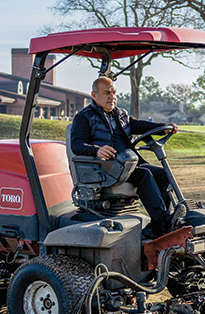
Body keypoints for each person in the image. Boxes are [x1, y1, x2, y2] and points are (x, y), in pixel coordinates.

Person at [70, 76, 186, 237]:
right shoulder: (84, 117)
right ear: (94, 95)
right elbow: (76, 145)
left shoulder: (120, 114)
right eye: (107, 93)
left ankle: (158, 226)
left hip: (128, 164)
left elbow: (138, 125)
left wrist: (163, 127)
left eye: (114, 92)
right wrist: (96, 150)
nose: (112, 96)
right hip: (105, 169)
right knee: (144, 175)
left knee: (163, 175)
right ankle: (164, 222)